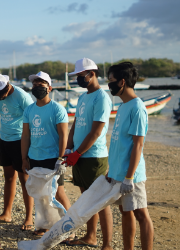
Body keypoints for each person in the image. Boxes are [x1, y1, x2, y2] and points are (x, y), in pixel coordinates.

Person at [63, 58, 113, 249]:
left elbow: (97, 131)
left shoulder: (101, 97)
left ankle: (107, 244)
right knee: (87, 197)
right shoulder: (83, 97)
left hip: (94, 156)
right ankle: (90, 236)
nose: (78, 79)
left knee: (100, 200)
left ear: (92, 74)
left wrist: (78, 152)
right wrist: (69, 149)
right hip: (79, 155)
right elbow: (76, 124)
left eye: (80, 76)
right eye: (77, 76)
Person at [106, 62, 154, 250]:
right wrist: (113, 170)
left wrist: (129, 177)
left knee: (141, 214)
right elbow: (119, 142)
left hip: (131, 174)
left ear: (122, 82)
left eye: (111, 81)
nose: (109, 85)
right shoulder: (123, 106)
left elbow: (138, 144)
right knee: (125, 211)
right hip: (119, 172)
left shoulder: (137, 107)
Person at [21, 71, 72, 237]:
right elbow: (26, 135)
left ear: (49, 88)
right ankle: (44, 225)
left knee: (58, 192)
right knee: (40, 194)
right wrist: (24, 158)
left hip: (53, 158)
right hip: (34, 157)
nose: (37, 87)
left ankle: (71, 226)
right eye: (34, 84)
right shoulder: (29, 110)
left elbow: (64, 135)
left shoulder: (57, 109)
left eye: (40, 84)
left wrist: (60, 158)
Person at [0, 73, 35, 231]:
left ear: (7, 87)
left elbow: (33, 121)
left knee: (25, 180)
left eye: (0, 95)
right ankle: (6, 213)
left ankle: (29, 218)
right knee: (8, 177)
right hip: (4, 139)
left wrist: (29, 147)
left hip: (20, 141)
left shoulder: (22, 96)